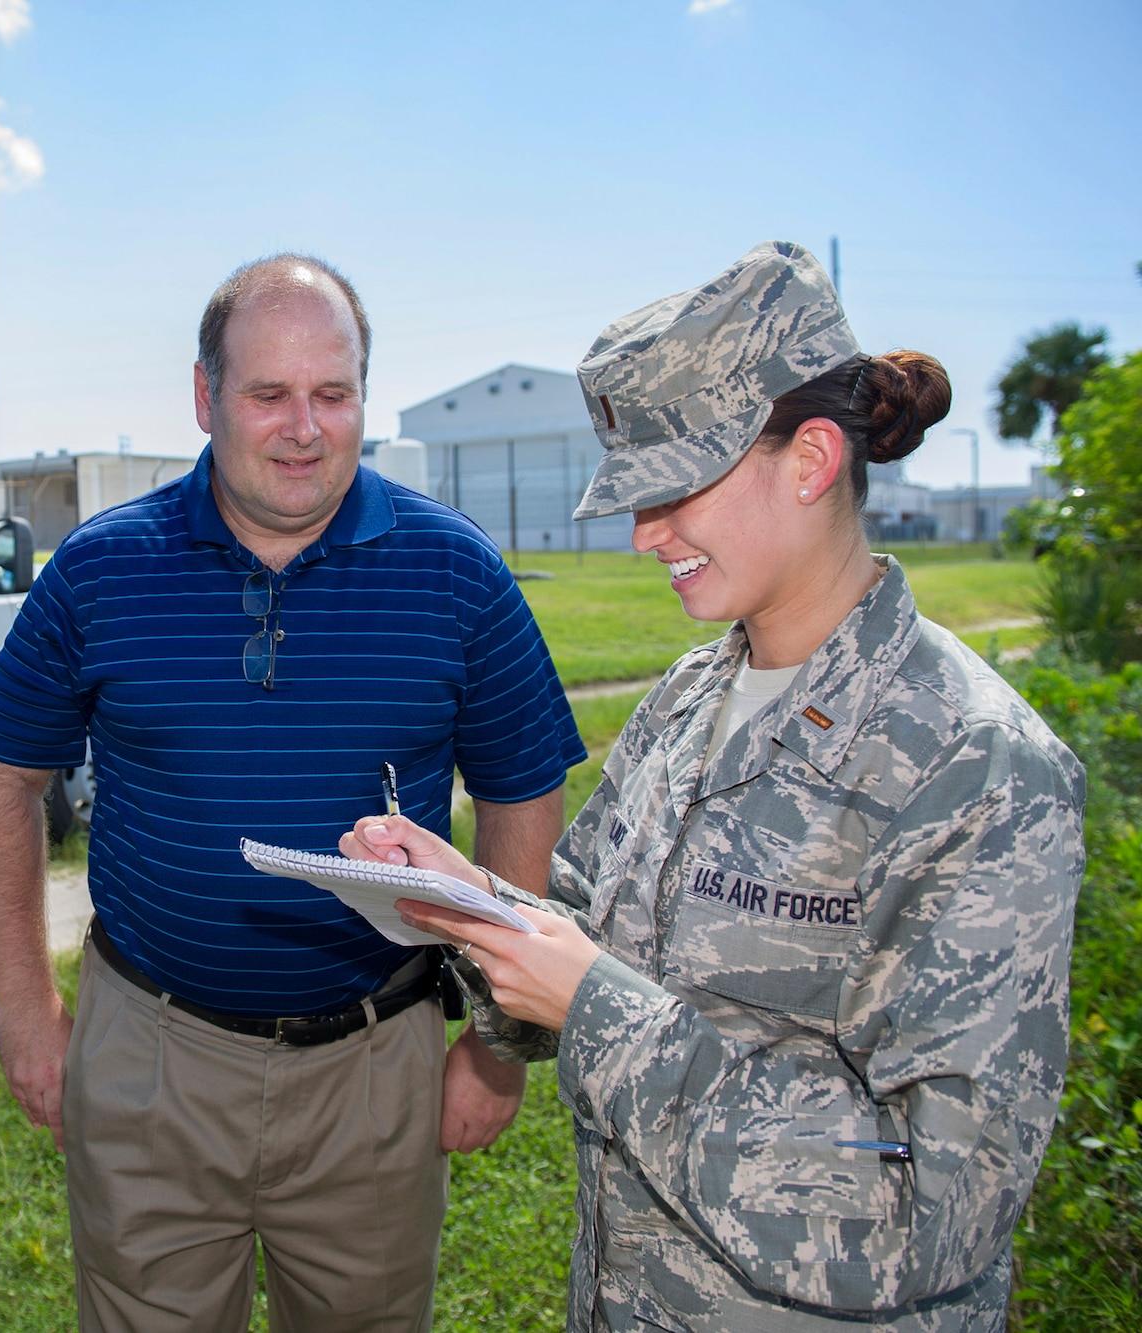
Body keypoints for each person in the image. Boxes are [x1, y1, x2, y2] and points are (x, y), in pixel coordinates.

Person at [345, 241, 1085, 1333]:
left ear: (811, 458)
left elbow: (935, 1209)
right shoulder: (691, 696)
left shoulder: (975, 767)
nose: (646, 536)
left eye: (674, 489)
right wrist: (471, 900)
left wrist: (596, 1004)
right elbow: (586, 938)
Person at [0, 253, 587, 1332]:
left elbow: (522, 795)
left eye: (332, 394)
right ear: (205, 398)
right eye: (268, 394)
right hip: (148, 1055)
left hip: (374, 1068)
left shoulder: (456, 572)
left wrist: (494, 1037)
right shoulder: (100, 569)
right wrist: (22, 1007)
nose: (305, 426)